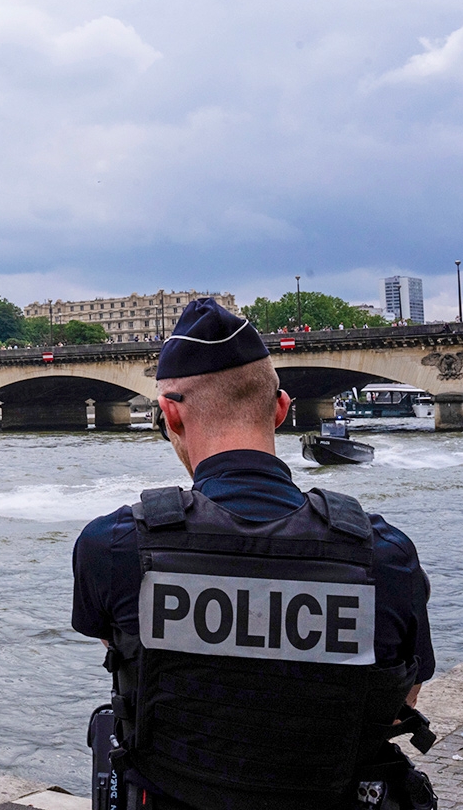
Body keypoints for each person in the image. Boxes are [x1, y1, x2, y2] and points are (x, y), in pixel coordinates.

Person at [72, 299, 436, 810]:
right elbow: (401, 704)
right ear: (282, 409)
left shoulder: (113, 547)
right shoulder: (384, 555)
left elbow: (127, 664)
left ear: (171, 415)